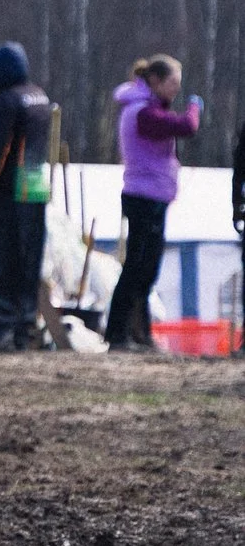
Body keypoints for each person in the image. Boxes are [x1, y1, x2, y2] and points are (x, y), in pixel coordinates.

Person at [104, 55, 201, 349]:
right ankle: (117, 332)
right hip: (143, 197)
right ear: (155, 81)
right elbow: (187, 126)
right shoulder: (143, 113)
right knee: (137, 266)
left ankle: (139, 331)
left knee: (147, 269)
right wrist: (195, 107)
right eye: (172, 83)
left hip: (153, 196)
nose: (176, 90)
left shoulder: (147, 109)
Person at [0, 43, 53, 350]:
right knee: (28, 262)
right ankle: (24, 326)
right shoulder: (40, 97)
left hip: (9, 193)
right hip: (35, 191)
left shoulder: (8, 101)